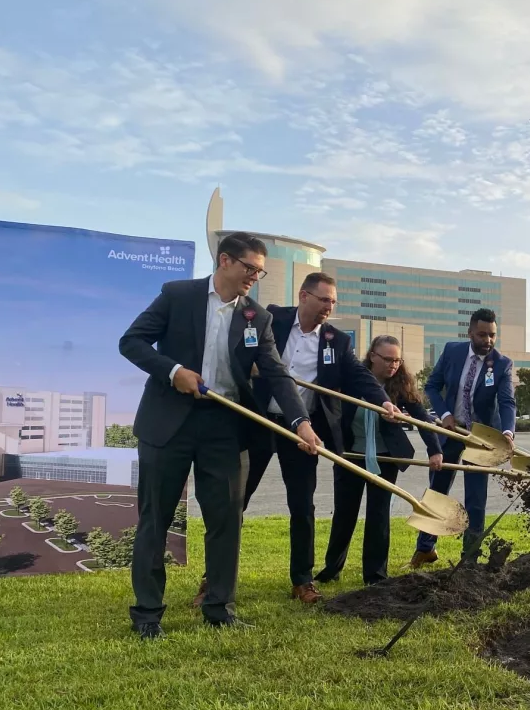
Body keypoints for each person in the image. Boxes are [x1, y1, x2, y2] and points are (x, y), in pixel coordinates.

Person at [119, 232, 320, 639]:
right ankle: (147, 614)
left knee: (227, 520)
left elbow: (277, 374)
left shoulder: (257, 318)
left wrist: (300, 421)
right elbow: (132, 342)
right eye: (250, 269)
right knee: (155, 519)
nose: (254, 278)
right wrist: (174, 371)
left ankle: (219, 606)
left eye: (260, 272)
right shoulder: (177, 296)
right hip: (168, 421)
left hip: (225, 426)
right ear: (225, 261)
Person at [236, 273, 397, 605]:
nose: (329, 307)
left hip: (302, 431)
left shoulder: (337, 341)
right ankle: (214, 579)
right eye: (324, 300)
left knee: (302, 505)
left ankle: (302, 581)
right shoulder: (271, 318)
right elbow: (240, 350)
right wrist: (247, 367)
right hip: (258, 421)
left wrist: (382, 401)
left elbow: (359, 375)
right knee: (237, 499)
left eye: (333, 302)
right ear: (304, 296)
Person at [317, 335, 444, 585]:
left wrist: (435, 450)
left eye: (397, 360)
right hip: (351, 455)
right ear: (372, 356)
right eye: (387, 359)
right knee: (344, 513)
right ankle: (331, 569)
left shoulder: (401, 385)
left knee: (378, 515)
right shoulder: (354, 379)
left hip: (385, 458)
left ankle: (375, 575)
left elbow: (422, 419)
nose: (393, 365)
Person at [413, 308, 516, 566]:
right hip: (450, 431)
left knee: (476, 500)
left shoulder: (502, 364)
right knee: (437, 492)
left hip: (480, 440)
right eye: (482, 334)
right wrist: (445, 414)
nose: (488, 340)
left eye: (492, 335)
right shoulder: (452, 351)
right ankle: (425, 549)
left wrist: (507, 431)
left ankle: (469, 559)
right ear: (469, 332)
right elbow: (432, 386)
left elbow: (507, 402)